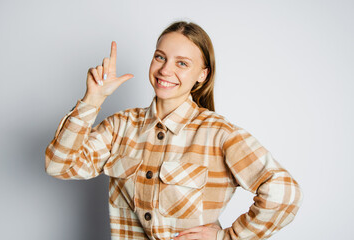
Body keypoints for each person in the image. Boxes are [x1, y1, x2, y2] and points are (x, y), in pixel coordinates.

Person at [45, 21, 303, 240]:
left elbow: (284, 193)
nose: (165, 70)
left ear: (202, 75)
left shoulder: (218, 134)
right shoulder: (120, 126)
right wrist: (92, 100)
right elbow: (60, 166)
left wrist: (227, 237)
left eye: (182, 63)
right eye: (160, 57)